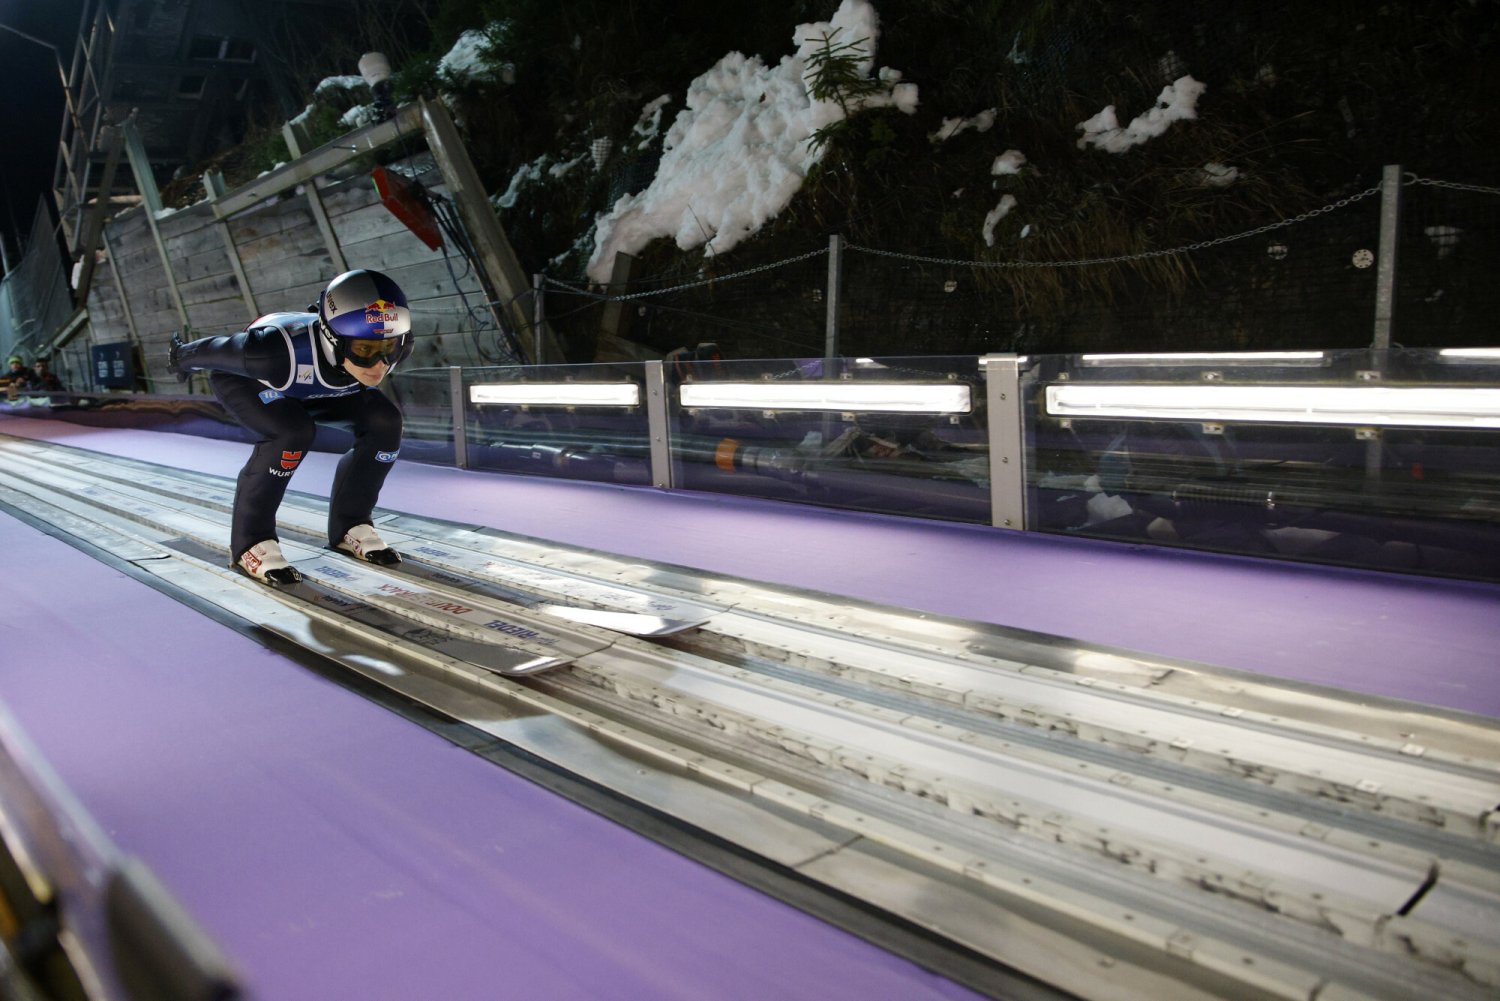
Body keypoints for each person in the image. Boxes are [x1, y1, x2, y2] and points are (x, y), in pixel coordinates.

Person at [169, 268, 413, 585]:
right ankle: (251, 542)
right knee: (291, 433)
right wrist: (181, 357)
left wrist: (370, 351)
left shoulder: (383, 346)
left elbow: (375, 352)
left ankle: (351, 524)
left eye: (390, 349)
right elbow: (215, 350)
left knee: (386, 422)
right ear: (332, 339)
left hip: (315, 386)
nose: (380, 365)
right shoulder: (272, 351)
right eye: (365, 351)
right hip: (252, 381)